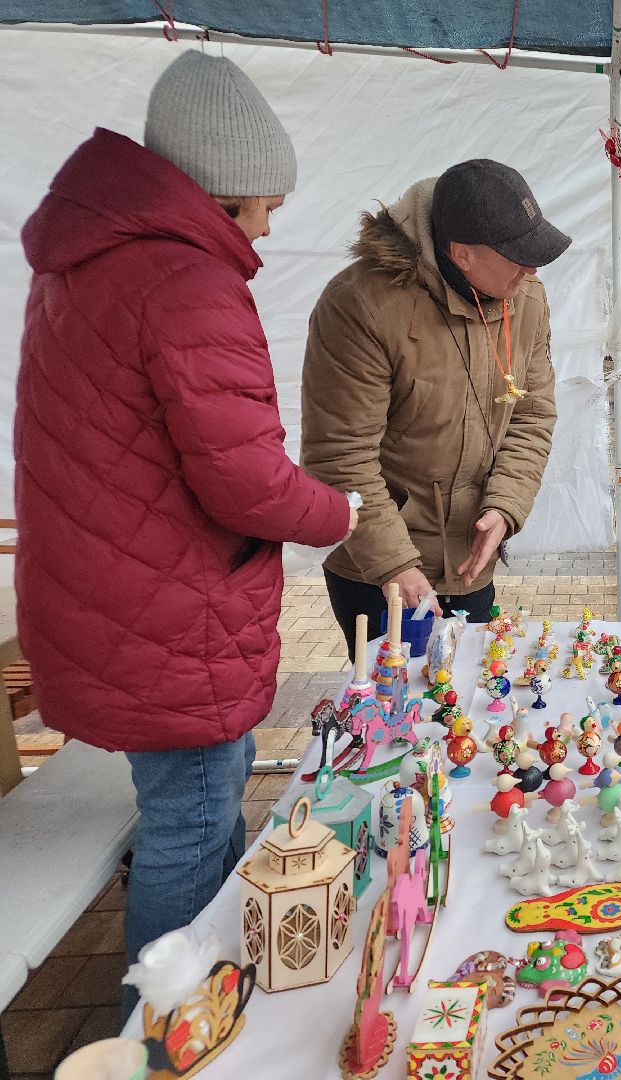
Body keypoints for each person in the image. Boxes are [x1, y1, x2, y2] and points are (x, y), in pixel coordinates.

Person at [13, 51, 355, 1018]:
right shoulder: (186, 283)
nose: (270, 222)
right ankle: (161, 1032)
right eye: (264, 203)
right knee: (190, 829)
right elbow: (244, 477)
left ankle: (186, 1005)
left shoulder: (85, 265)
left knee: (192, 805)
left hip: (113, 598)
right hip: (171, 620)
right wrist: (340, 512)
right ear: (226, 186)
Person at [302, 159, 566, 659]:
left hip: (470, 561)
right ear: (461, 254)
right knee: (398, 721)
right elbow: (340, 456)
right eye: (517, 255)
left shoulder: (525, 297)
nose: (532, 269)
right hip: (377, 572)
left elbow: (531, 415)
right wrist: (394, 564)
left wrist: (504, 506)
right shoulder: (360, 305)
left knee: (467, 709)